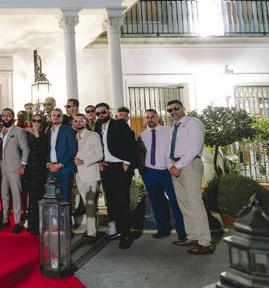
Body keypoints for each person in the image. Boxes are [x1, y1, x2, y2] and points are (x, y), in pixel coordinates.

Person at [167, 99, 213, 255]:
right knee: (184, 203)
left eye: (176, 108)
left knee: (194, 203)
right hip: (176, 166)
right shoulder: (174, 127)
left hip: (190, 165)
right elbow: (170, 149)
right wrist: (171, 166)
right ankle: (192, 236)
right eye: (170, 110)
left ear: (183, 108)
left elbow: (195, 146)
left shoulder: (194, 123)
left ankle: (205, 243)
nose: (173, 112)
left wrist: (178, 166)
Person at [139, 109, 187, 241]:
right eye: (147, 117)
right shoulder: (142, 135)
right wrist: (143, 172)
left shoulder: (168, 131)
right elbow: (139, 155)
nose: (150, 119)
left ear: (157, 117)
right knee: (156, 202)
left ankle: (182, 231)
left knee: (176, 201)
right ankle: (163, 228)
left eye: (153, 116)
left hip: (168, 172)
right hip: (150, 173)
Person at [95, 102, 137, 249]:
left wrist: (126, 162)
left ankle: (126, 235)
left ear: (109, 112)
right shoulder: (97, 127)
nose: (101, 115)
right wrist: (99, 161)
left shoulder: (119, 124)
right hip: (106, 168)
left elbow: (131, 143)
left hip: (120, 167)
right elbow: (98, 147)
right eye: (98, 113)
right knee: (111, 201)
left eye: (103, 112)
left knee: (122, 201)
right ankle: (118, 231)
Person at [72, 113, 103, 243]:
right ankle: (90, 229)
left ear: (85, 122)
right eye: (76, 121)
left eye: (81, 120)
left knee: (90, 203)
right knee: (85, 203)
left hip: (90, 174)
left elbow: (99, 154)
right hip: (78, 175)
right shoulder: (74, 137)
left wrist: (83, 160)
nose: (78, 123)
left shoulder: (93, 135)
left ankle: (92, 233)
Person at [0, 108, 30, 233]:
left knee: (17, 196)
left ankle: (18, 222)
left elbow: (26, 149)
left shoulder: (19, 131)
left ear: (12, 117)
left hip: (15, 168)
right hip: (2, 168)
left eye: (9, 115)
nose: (6, 117)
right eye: (4, 115)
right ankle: (5, 220)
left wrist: (23, 165)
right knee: (4, 195)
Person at [45, 108, 77, 210]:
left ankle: (66, 223)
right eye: (53, 115)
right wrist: (48, 164)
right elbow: (46, 150)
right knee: (51, 197)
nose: (56, 117)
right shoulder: (47, 132)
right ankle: (54, 222)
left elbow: (72, 149)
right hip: (50, 168)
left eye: (58, 115)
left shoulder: (68, 130)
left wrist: (60, 165)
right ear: (50, 117)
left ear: (62, 118)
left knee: (65, 196)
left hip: (65, 168)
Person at [23, 113, 47, 235]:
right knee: (31, 198)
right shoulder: (27, 135)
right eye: (34, 120)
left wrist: (37, 135)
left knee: (38, 197)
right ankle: (32, 225)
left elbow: (42, 151)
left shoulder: (44, 136)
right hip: (29, 169)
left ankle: (38, 225)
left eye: (39, 121)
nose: (36, 122)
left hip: (40, 170)